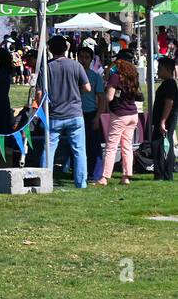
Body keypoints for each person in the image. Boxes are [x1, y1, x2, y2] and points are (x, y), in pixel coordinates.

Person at [36, 35, 91, 188]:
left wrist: (42, 108)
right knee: (79, 150)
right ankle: (81, 183)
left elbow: (39, 93)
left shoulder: (46, 68)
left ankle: (44, 183)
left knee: (49, 150)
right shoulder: (76, 65)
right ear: (66, 48)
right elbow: (87, 88)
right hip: (75, 114)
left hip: (54, 115)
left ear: (50, 49)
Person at [97, 58, 142, 187]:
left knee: (111, 146)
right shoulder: (133, 79)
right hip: (133, 115)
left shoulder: (115, 78)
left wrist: (106, 92)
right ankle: (126, 176)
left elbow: (109, 97)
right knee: (127, 146)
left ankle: (104, 177)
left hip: (119, 115)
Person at [77, 44, 106, 181]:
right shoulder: (74, 74)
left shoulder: (95, 77)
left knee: (94, 145)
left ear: (91, 60)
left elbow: (102, 99)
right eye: (81, 57)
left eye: (86, 57)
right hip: (76, 113)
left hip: (91, 113)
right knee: (79, 145)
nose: (83, 60)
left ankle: (96, 174)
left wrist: (97, 117)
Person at [151, 56, 177, 181]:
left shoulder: (170, 85)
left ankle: (164, 173)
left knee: (162, 145)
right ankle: (161, 173)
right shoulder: (167, 84)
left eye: (160, 68)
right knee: (159, 144)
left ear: (167, 69)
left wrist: (163, 121)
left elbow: (169, 103)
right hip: (163, 119)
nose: (158, 71)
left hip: (166, 119)